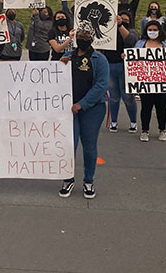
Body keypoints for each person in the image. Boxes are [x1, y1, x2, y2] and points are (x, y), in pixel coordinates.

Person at [58, 22, 109, 199]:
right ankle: (68, 178)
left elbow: (101, 85)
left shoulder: (99, 60)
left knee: (89, 146)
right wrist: (59, 65)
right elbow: (56, 78)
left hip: (92, 109)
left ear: (92, 39)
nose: (83, 39)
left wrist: (83, 104)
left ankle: (88, 180)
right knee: (68, 145)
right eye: (80, 36)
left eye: (87, 36)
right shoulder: (67, 56)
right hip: (68, 110)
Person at [137, 20, 166, 142]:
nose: (152, 32)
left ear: (160, 31)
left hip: (162, 82)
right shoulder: (140, 44)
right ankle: (144, 130)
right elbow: (134, 61)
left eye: (155, 30)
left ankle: (162, 130)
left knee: (161, 107)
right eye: (150, 30)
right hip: (145, 82)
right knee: (146, 106)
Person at [104, 10, 139, 134]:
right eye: (120, 19)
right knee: (113, 96)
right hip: (110, 65)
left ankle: (133, 121)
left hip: (125, 67)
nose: (123, 21)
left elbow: (130, 40)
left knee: (128, 96)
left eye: (125, 20)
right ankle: (113, 121)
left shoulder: (133, 32)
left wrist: (120, 26)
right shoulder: (108, 32)